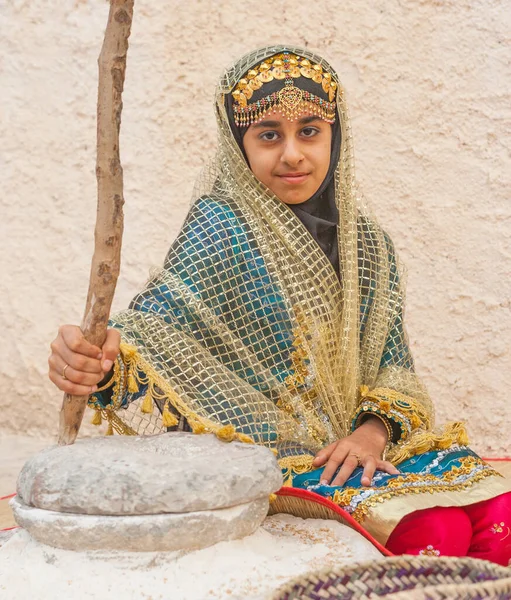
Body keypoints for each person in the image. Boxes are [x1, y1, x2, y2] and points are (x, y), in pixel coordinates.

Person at [48, 45, 511, 564]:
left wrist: (371, 432)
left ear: (336, 137)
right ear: (237, 144)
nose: (292, 153)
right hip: (278, 457)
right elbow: (154, 330)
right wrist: (95, 355)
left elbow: (393, 365)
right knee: (437, 529)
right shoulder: (221, 227)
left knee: (500, 515)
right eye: (269, 135)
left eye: (309, 131)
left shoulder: (370, 244)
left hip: (362, 448)